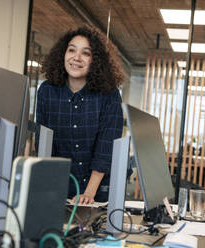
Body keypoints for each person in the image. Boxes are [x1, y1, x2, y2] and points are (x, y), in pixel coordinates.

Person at [36, 26, 124, 204]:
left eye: (86, 53)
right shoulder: (47, 91)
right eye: (71, 50)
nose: (76, 57)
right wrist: (48, 188)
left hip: (99, 193)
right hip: (58, 188)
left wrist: (89, 194)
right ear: (63, 53)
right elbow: (44, 144)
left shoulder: (109, 94)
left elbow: (106, 149)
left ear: (96, 61)